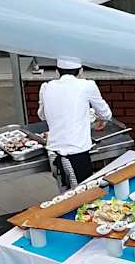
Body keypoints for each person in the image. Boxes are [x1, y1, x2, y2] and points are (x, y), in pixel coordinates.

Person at [37, 58, 112, 189]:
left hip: (54, 152)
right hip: (77, 152)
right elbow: (106, 114)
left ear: (57, 72)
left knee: (64, 191)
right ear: (81, 71)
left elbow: (42, 116)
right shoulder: (87, 85)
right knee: (82, 194)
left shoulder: (46, 87)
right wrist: (101, 119)